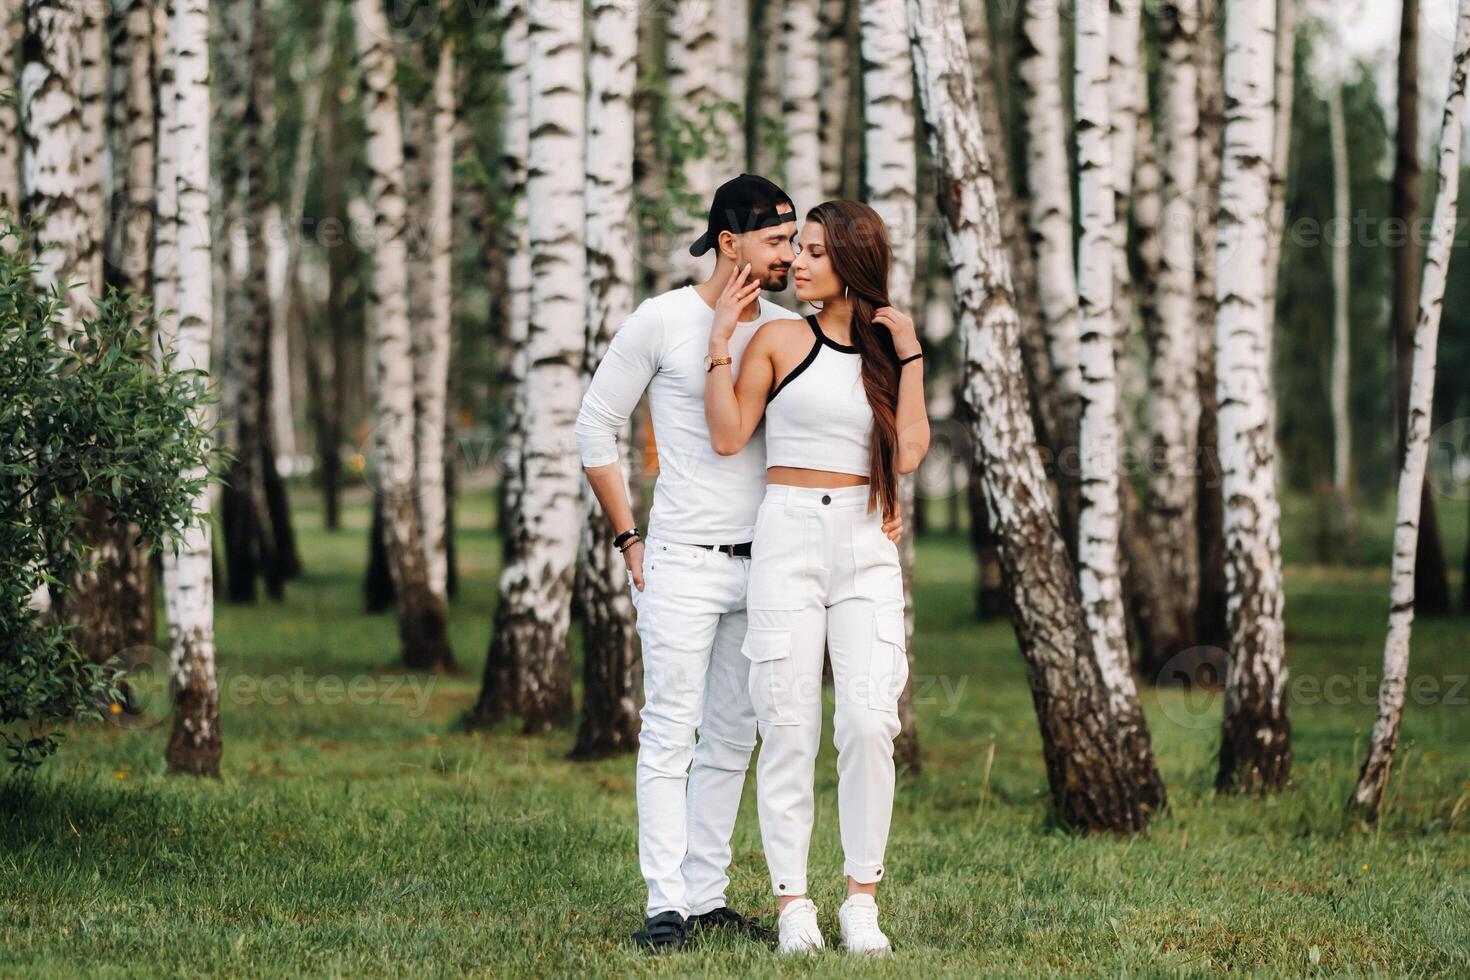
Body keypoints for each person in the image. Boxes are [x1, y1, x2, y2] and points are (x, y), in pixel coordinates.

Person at [575, 176, 903, 952]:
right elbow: (596, 428)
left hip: (768, 561)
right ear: (731, 244)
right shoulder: (663, 320)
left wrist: (878, 496)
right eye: (778, 241)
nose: (792, 255)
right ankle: (664, 905)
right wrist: (630, 539)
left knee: (734, 736)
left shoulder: (790, 329)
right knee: (670, 733)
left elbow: (836, 432)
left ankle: (707, 894)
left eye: (797, 243)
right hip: (682, 561)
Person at [703, 200, 930, 956]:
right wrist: (718, 344)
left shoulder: (879, 351)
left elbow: (907, 455)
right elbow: (731, 436)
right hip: (789, 534)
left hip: (865, 542)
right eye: (795, 248)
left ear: (852, 266)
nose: (797, 262)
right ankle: (793, 902)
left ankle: (860, 900)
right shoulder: (775, 338)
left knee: (870, 721)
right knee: (789, 724)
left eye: (815, 252)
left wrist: (911, 354)